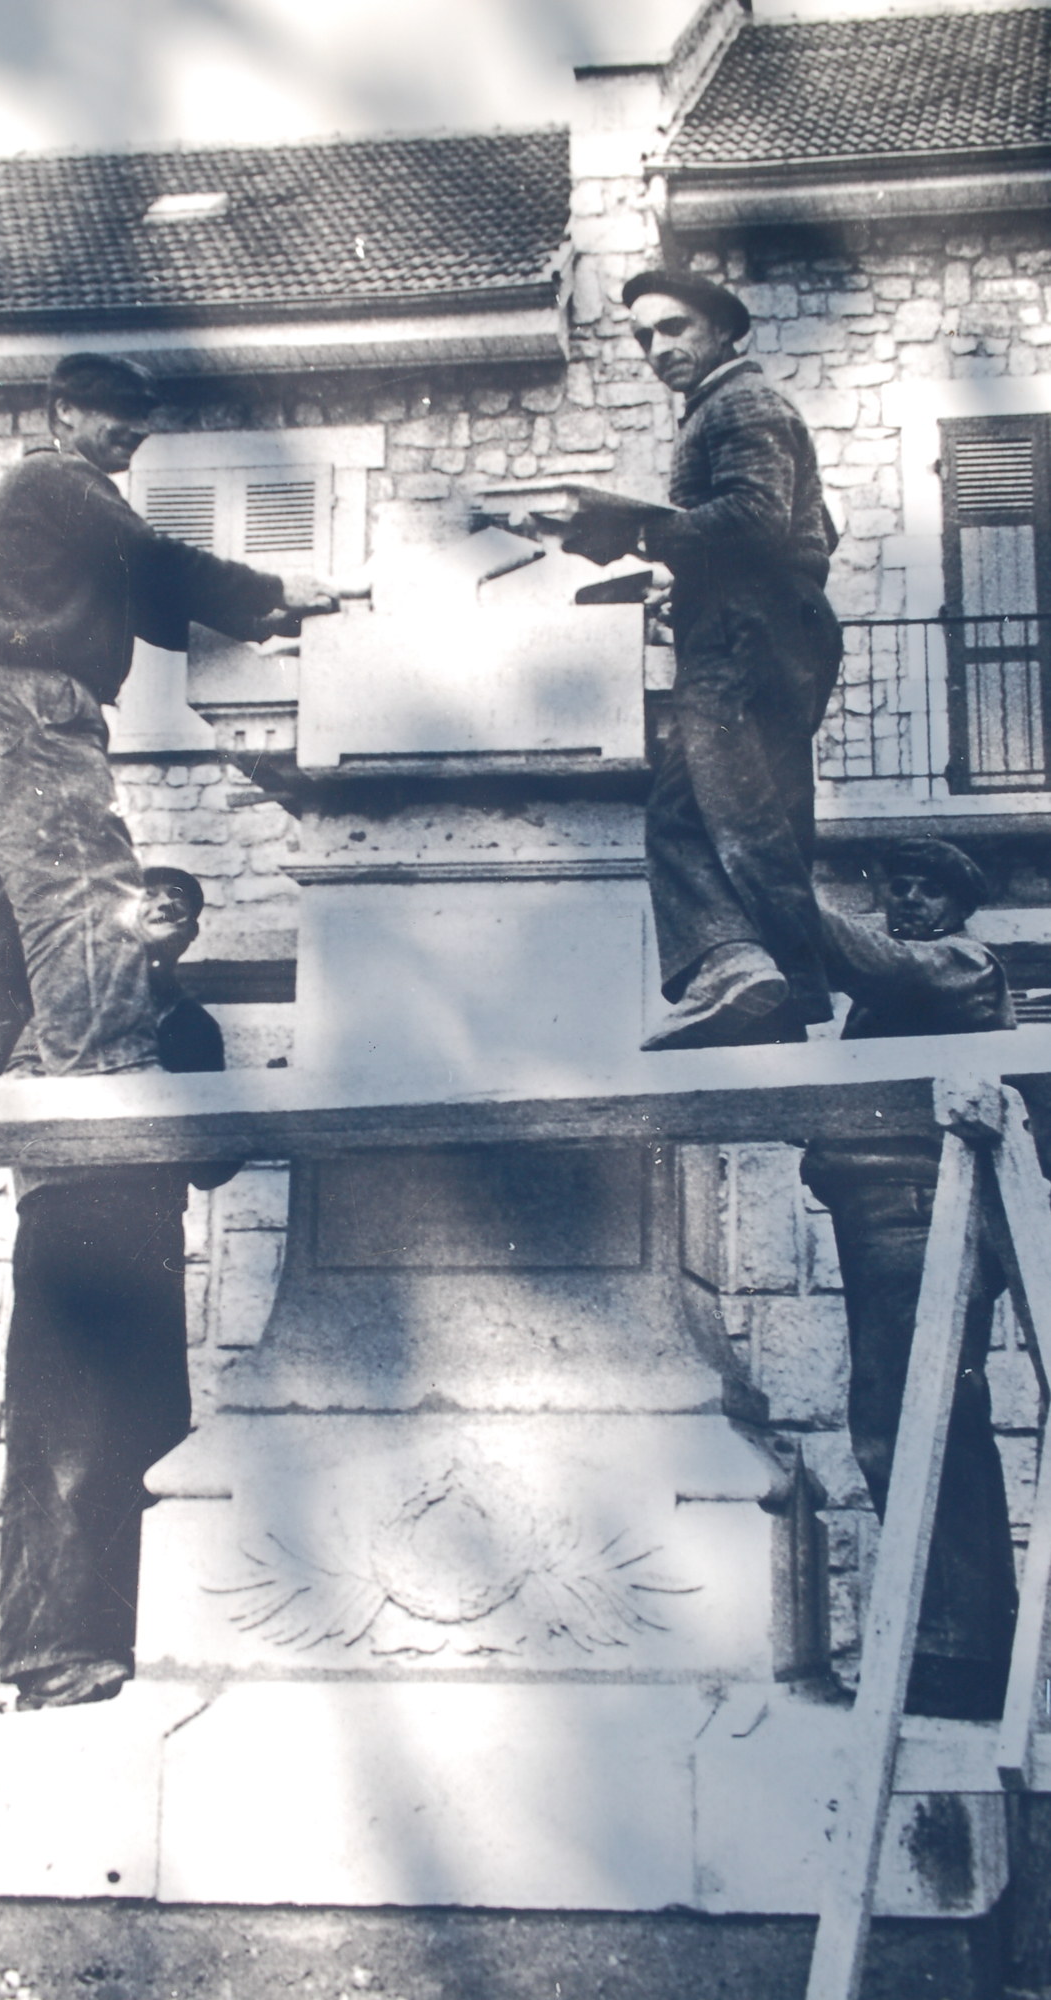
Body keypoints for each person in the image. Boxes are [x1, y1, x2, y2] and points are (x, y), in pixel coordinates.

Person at [0, 351, 334, 1085]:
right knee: (89, 889)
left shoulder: (59, 510)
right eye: (116, 412)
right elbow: (157, 562)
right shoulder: (58, 478)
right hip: (38, 706)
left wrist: (268, 618)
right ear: (64, 410)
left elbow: (154, 606)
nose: (136, 430)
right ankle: (105, 1075)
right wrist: (278, 583)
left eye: (143, 419)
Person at [564, 269, 843, 1050]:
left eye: (675, 328)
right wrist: (673, 582)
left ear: (723, 330)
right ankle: (749, 973)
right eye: (645, 336)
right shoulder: (729, 408)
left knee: (719, 813)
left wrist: (637, 533)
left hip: (746, 629)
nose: (658, 348)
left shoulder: (741, 402)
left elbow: (756, 518)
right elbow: (804, 524)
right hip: (756, 620)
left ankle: (760, 975)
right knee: (712, 810)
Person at [0, 865, 244, 1710]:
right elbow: (15, 1099)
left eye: (184, 907)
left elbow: (214, 1161)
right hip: (66, 1224)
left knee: (143, 1434)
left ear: (192, 935)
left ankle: (122, 1644)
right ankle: (52, 1657)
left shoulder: (193, 1027)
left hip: (146, 1231)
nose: (166, 913)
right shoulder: (63, 1003)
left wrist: (213, 1107)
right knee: (61, 1435)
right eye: (152, 901)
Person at [800, 838, 1019, 1720]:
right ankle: (953, 1650)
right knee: (899, 1420)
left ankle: (960, 1657)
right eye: (901, 885)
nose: (912, 900)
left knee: (919, 1424)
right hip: (884, 1214)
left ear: (958, 907)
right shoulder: (894, 992)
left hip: (921, 1213)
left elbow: (872, 958)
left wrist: (776, 877)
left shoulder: (960, 965)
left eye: (931, 890)